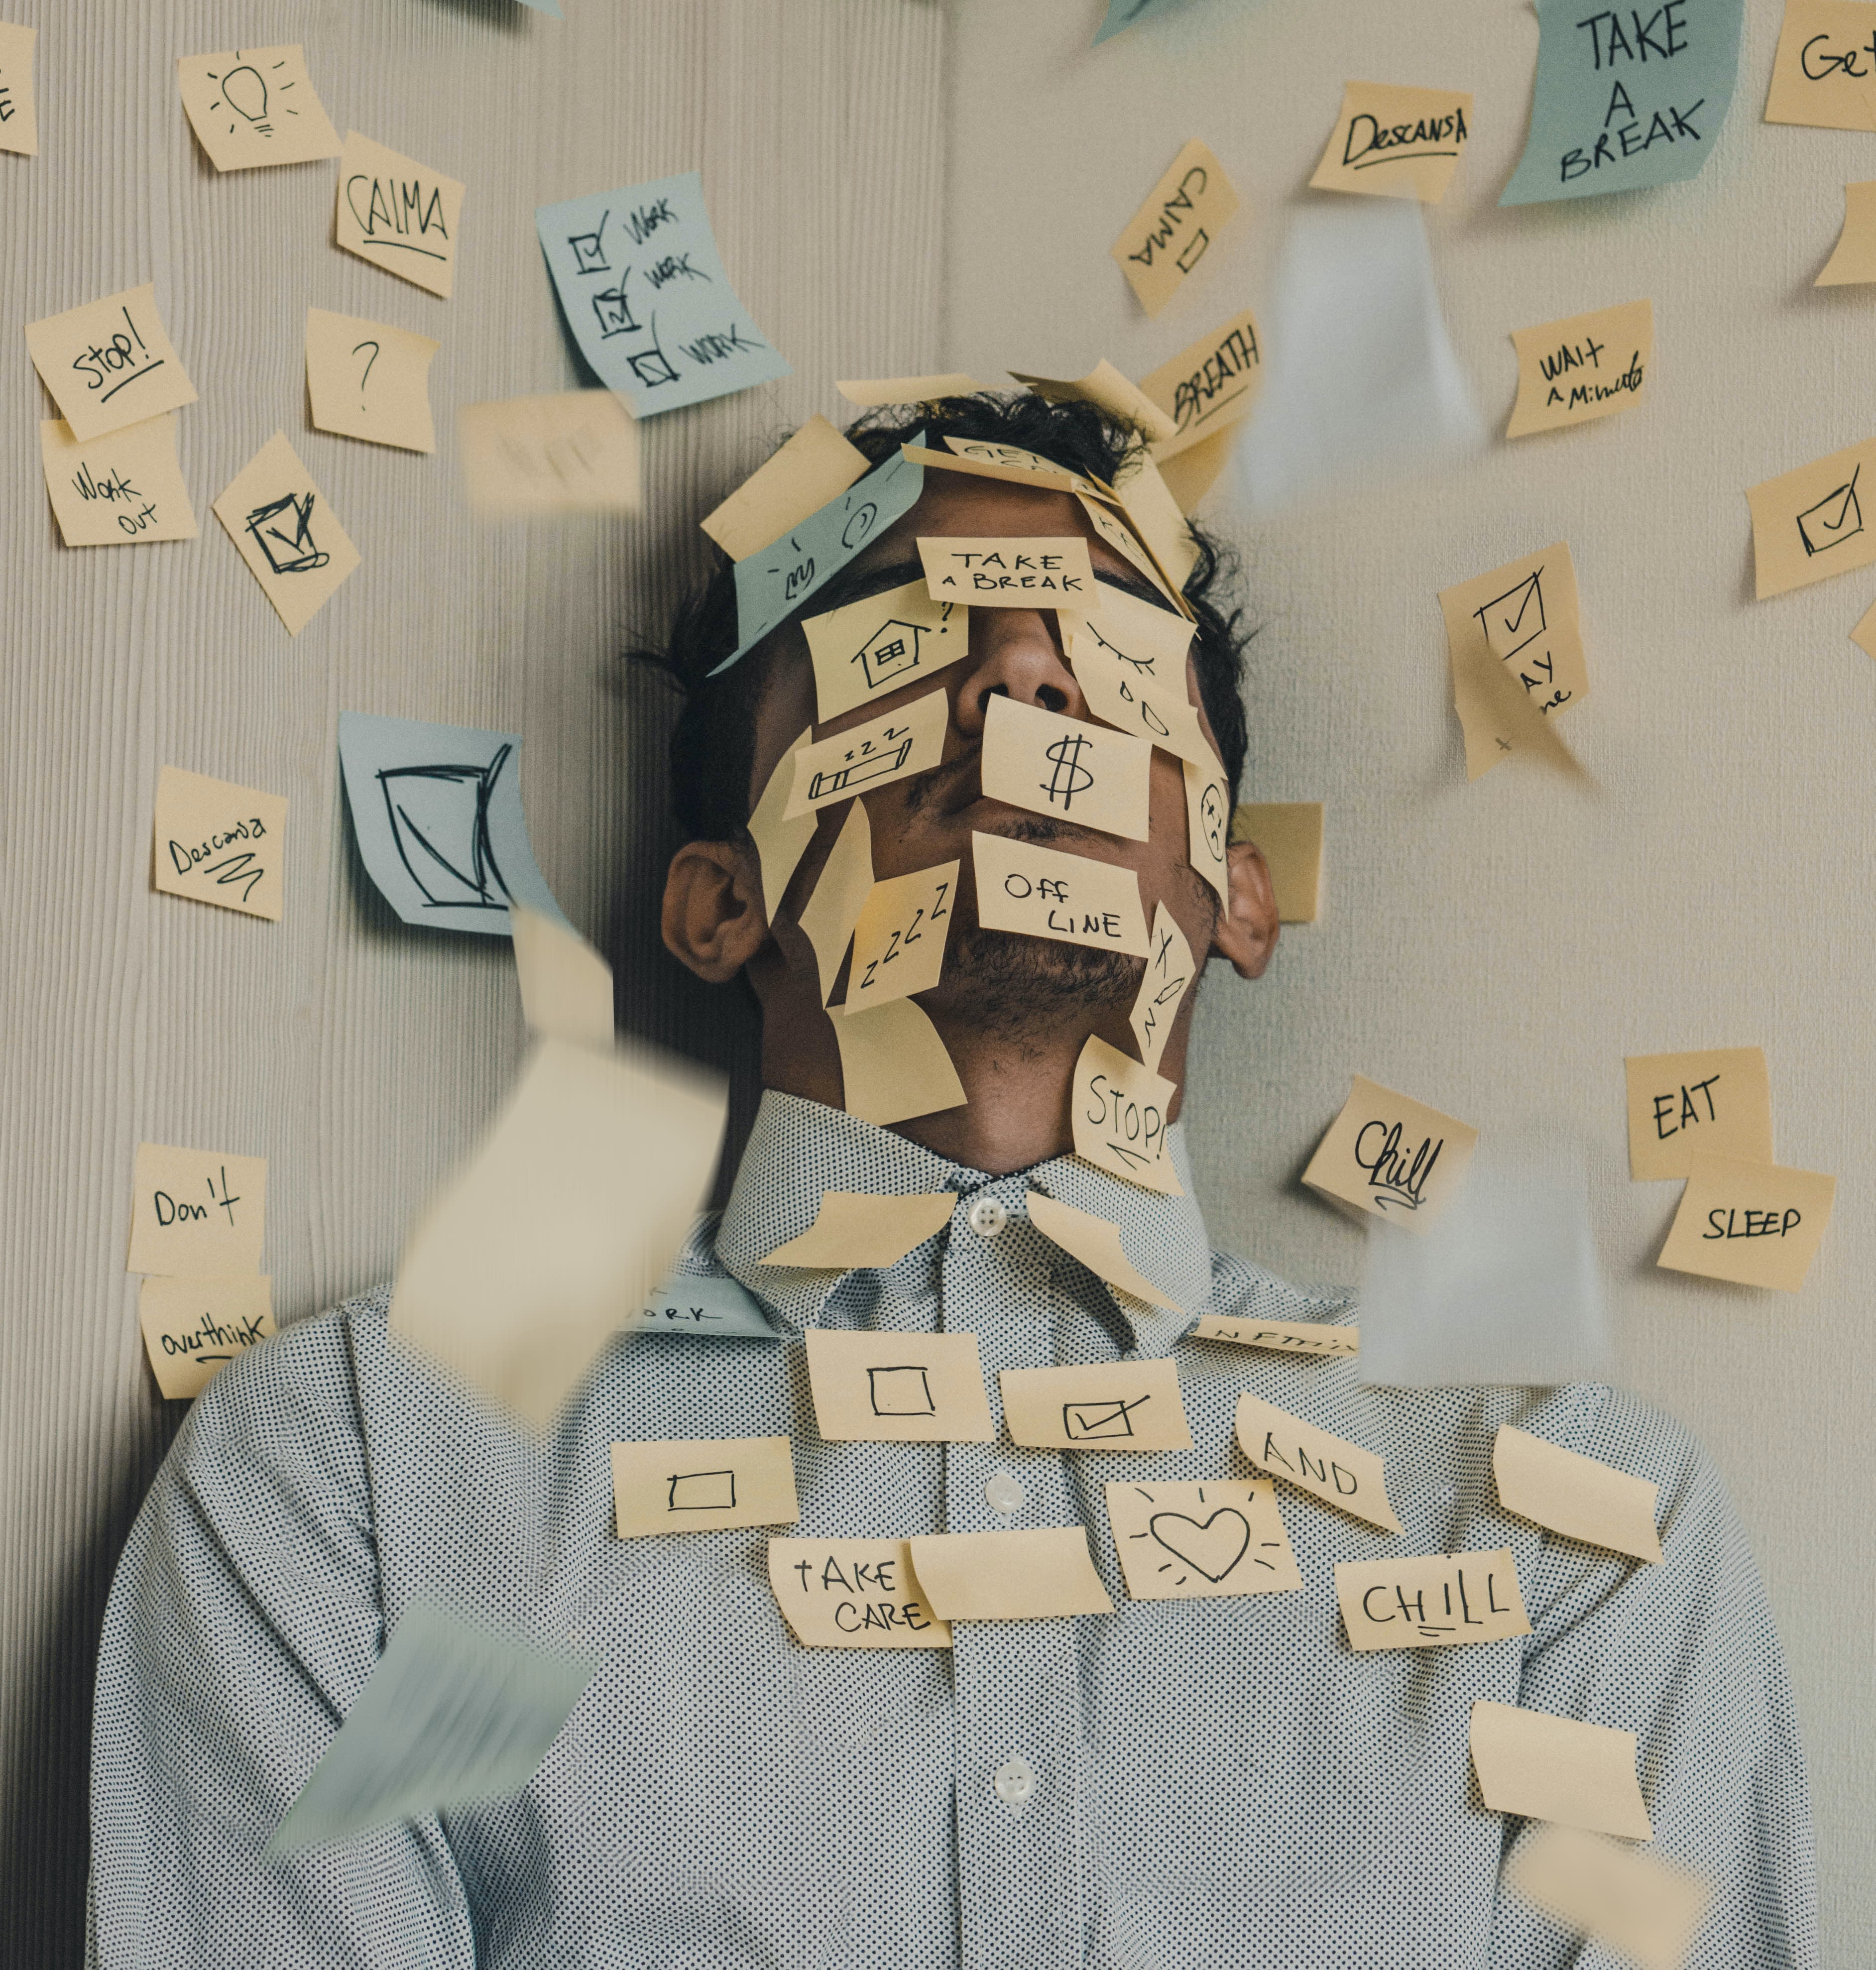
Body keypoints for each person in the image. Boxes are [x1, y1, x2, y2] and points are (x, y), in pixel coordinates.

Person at [89, 392, 1816, 1969]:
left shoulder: (1578, 1537)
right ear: (720, 903)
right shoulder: (364, 1477)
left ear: (1233, 892)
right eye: (903, 637)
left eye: (1107, 654)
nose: (1019, 681)